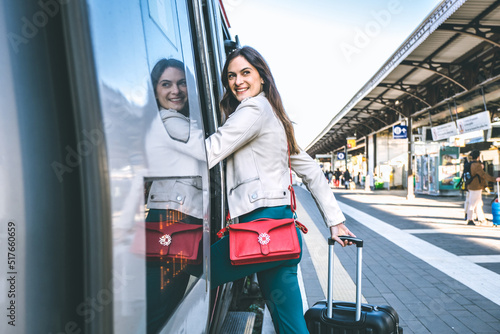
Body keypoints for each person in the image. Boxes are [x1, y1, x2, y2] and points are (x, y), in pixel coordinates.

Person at [205, 46, 354, 334]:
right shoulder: (273, 115)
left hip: (259, 229)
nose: (238, 82)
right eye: (231, 76)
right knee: (290, 323)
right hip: (281, 233)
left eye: (246, 73)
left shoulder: (254, 108)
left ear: (262, 76)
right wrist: (336, 222)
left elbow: (209, 151)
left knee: (192, 272)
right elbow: (310, 169)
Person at [143, 58, 205, 333]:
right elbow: (210, 148)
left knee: (165, 305)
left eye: (181, 83)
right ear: (155, 90)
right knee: (162, 308)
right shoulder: (169, 120)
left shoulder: (178, 121)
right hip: (171, 219)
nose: (175, 91)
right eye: (166, 84)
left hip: (174, 217)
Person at [466, 149, 500, 226]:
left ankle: (481, 219)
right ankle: (470, 219)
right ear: (478, 157)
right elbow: (484, 175)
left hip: (471, 186)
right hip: (476, 187)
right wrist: (495, 179)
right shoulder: (476, 165)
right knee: (472, 203)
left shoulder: (470, 164)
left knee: (478, 203)